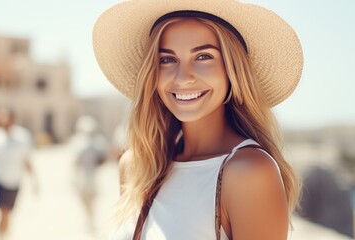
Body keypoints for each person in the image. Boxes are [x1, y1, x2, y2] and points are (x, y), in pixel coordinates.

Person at [93, 1, 303, 239]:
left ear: (232, 69)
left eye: (203, 56)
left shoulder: (249, 172)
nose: (183, 78)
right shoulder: (136, 167)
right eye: (167, 59)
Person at [0, 107, 38, 239]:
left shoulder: (23, 136)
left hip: (15, 181)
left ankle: (4, 235)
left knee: (8, 212)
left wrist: (34, 181)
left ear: (12, 119)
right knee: (3, 211)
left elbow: (27, 160)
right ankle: (0, 237)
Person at [70, 115, 109, 233]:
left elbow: (103, 158)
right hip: (82, 174)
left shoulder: (98, 141)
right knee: (83, 198)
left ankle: (91, 218)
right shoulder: (77, 141)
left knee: (91, 198)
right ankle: (89, 217)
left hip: (92, 175)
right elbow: (74, 161)